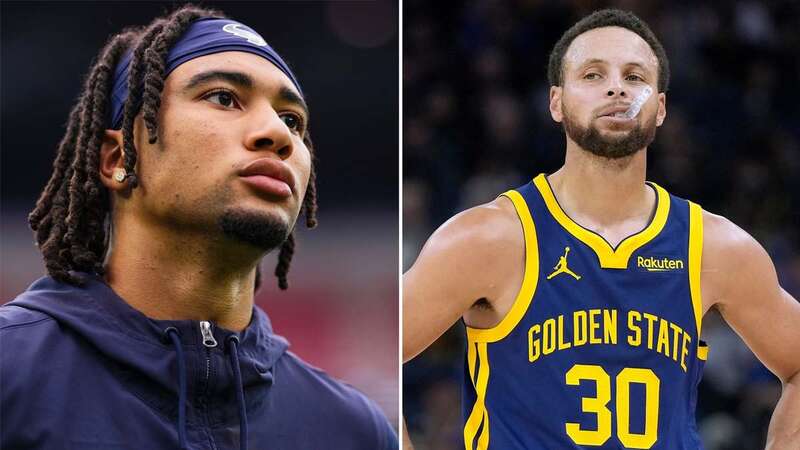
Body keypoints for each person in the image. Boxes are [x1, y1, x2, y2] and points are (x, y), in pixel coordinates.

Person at [0, 5, 397, 450]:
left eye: (292, 120)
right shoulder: (11, 375)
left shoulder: (353, 431)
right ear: (118, 160)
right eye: (224, 97)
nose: (278, 134)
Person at [403, 9, 800, 450]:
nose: (617, 87)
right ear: (556, 102)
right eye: (593, 75)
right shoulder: (489, 238)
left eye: (635, 76)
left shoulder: (714, 246)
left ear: (661, 107)